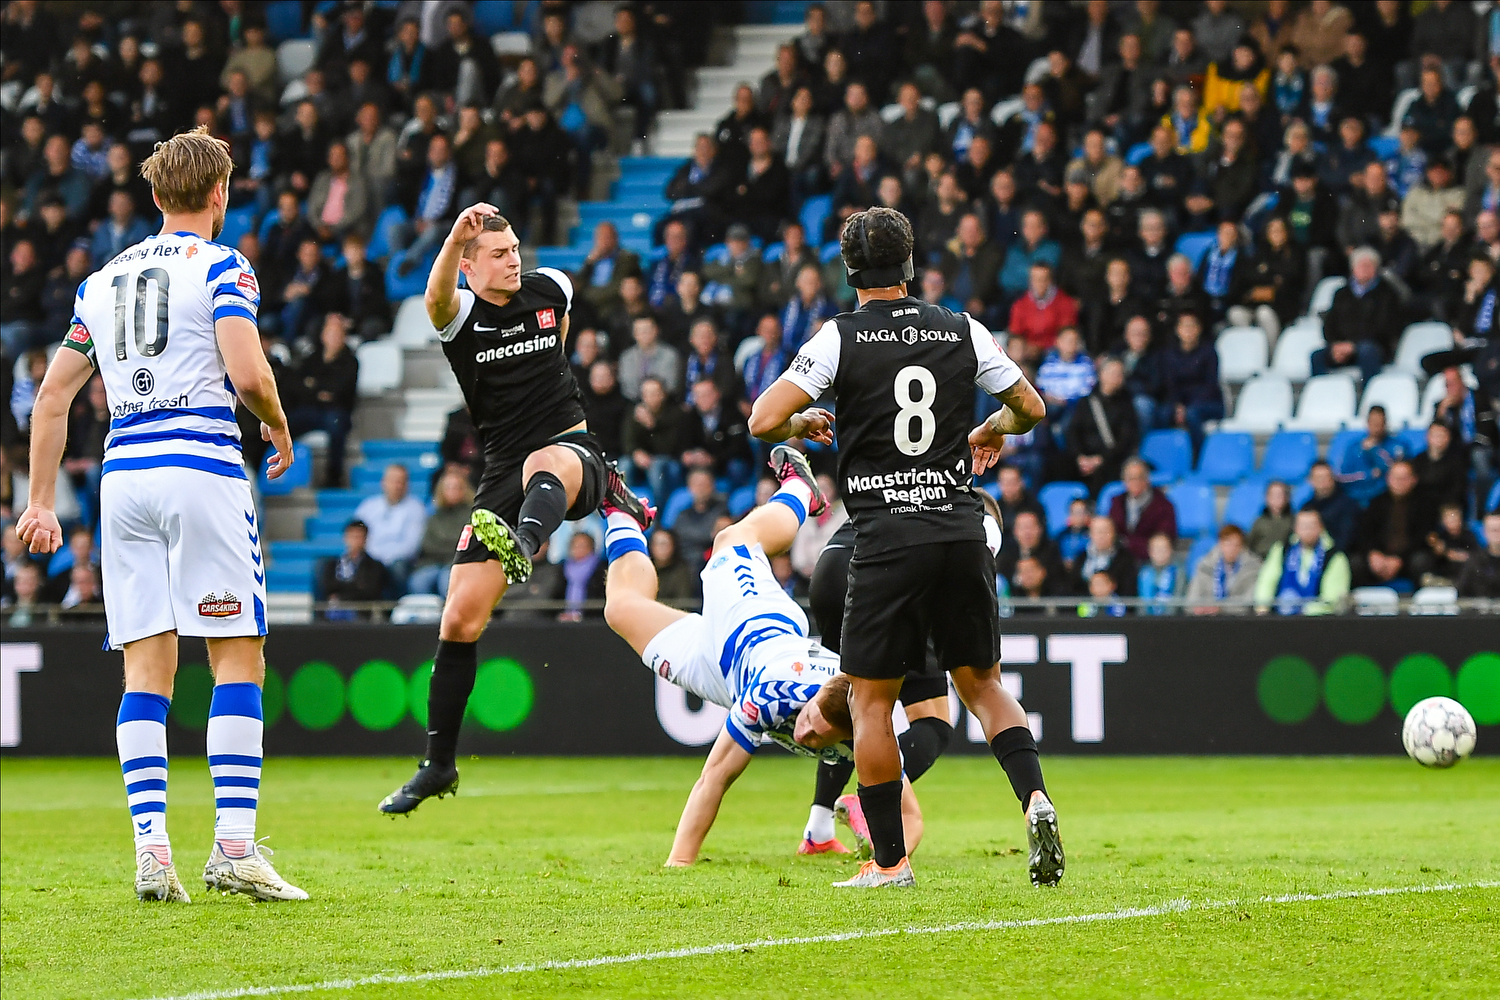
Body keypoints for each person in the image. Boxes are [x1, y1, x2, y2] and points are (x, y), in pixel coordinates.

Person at [15, 127, 306, 902]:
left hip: (124, 479)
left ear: (152, 196)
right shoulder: (222, 265)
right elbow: (246, 370)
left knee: (146, 667)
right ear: (219, 194)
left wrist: (41, 501)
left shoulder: (103, 279)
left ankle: (152, 852)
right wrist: (276, 422)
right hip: (199, 469)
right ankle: (235, 848)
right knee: (236, 655)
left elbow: (52, 398)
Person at [749, 206, 1060, 890]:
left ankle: (889, 863)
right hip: (957, 529)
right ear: (911, 264)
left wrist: (804, 419)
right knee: (982, 685)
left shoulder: (839, 336)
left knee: (868, 702)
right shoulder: (960, 327)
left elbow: (762, 420)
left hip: (885, 538)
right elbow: (1033, 409)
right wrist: (991, 427)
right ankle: (1035, 797)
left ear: (850, 270)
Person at [378, 207, 627, 815]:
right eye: (498, 253)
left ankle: (528, 540)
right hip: (502, 473)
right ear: (469, 266)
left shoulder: (553, 289)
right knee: (460, 618)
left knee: (552, 457)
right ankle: (438, 765)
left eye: (516, 248)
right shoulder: (458, 316)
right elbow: (435, 295)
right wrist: (454, 236)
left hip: (574, 452)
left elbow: (558, 347)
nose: (514, 259)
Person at [599, 449, 895, 865]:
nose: (805, 734)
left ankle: (621, 514)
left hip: (721, 671)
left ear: (847, 737)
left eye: (816, 735)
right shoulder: (773, 696)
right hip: (750, 618)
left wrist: (895, 858)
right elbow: (714, 778)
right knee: (731, 539)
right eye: (809, 719)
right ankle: (798, 488)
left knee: (620, 610)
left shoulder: (869, 734)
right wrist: (678, 865)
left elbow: (910, 811)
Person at [794, 490, 1006, 856]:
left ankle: (818, 829)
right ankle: (871, 801)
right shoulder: (970, 520)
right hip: (881, 581)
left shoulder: (909, 485)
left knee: (852, 706)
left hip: (829, 572)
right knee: (932, 720)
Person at [287, 313, 358, 488]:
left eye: (338, 334)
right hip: (311, 410)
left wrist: (313, 387)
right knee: (285, 423)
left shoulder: (350, 362)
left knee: (336, 427)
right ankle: (281, 470)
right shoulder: (312, 359)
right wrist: (319, 392)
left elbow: (340, 390)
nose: (333, 338)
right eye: (330, 333)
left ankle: (334, 477)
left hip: (337, 412)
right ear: (323, 335)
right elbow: (297, 386)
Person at [1063, 356, 1140, 495]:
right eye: (1112, 373)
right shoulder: (1086, 402)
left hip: (1110, 459)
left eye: (1120, 374)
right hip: (1084, 457)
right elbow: (1073, 432)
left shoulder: (1126, 405)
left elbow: (1125, 440)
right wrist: (1080, 457)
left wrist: (1100, 459)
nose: (1116, 378)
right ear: (1101, 374)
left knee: (1105, 473)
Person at [1255, 508, 1351, 615]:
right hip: (1281, 617)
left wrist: (1306, 612)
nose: (1307, 530)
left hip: (1318, 621)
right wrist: (1263, 607)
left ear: (1321, 527)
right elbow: (1267, 580)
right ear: (1296, 528)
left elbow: (1333, 598)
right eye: (1303, 526)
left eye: (1311, 525)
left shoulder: (1335, 556)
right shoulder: (1281, 550)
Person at [352, 464, 427, 592]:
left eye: (401, 481)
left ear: (407, 484)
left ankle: (394, 609)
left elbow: (411, 546)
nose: (396, 485)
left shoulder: (416, 509)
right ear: (383, 482)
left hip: (398, 562)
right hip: (370, 559)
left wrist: (381, 560)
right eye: (393, 481)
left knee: (397, 568)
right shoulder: (368, 507)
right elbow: (356, 533)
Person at [407, 469, 474, 599]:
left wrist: (444, 544)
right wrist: (451, 545)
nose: (453, 491)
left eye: (457, 487)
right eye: (449, 487)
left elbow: (467, 544)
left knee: (446, 580)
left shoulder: (472, 515)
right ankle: (427, 617)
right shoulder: (433, 516)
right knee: (418, 582)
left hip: (458, 564)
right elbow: (427, 544)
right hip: (432, 563)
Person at [1109, 457, 1178, 561]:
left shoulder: (1164, 505)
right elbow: (1112, 531)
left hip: (1150, 559)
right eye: (1131, 478)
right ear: (1124, 481)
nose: (1135, 482)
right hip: (1119, 559)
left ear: (1147, 479)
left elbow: (1164, 538)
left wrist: (1128, 543)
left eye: (1139, 477)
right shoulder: (1117, 502)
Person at [1186, 524, 1262, 613]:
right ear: (1220, 544)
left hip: (1238, 621)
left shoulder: (1252, 568)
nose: (1232, 549)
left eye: (1236, 545)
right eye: (1228, 544)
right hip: (1206, 619)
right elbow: (1191, 600)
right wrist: (1202, 608)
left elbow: (1247, 602)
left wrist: (1221, 608)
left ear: (1242, 547)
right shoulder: (1204, 566)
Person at [319, 519, 388, 615]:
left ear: (366, 539)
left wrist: (342, 590)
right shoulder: (332, 564)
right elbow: (328, 587)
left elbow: (370, 591)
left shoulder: (375, 566)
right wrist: (355, 586)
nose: (355, 540)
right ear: (345, 537)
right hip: (336, 609)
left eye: (359, 537)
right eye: (352, 536)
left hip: (362, 612)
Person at [1303, 461, 1360, 552]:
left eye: (1326, 477)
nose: (1323, 482)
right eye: (1318, 478)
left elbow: (1345, 541)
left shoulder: (1348, 505)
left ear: (1333, 478)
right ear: (1310, 481)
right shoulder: (1306, 507)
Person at [1456, 512, 1500, 597]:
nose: (1497, 534)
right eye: (1493, 530)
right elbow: (1462, 592)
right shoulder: (1474, 561)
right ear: (1485, 532)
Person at [1249, 480, 1295, 557]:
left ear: (1287, 497)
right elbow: (1250, 545)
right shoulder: (1259, 522)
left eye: (1280, 495)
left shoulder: (1293, 521)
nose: (1276, 498)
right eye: (1272, 495)